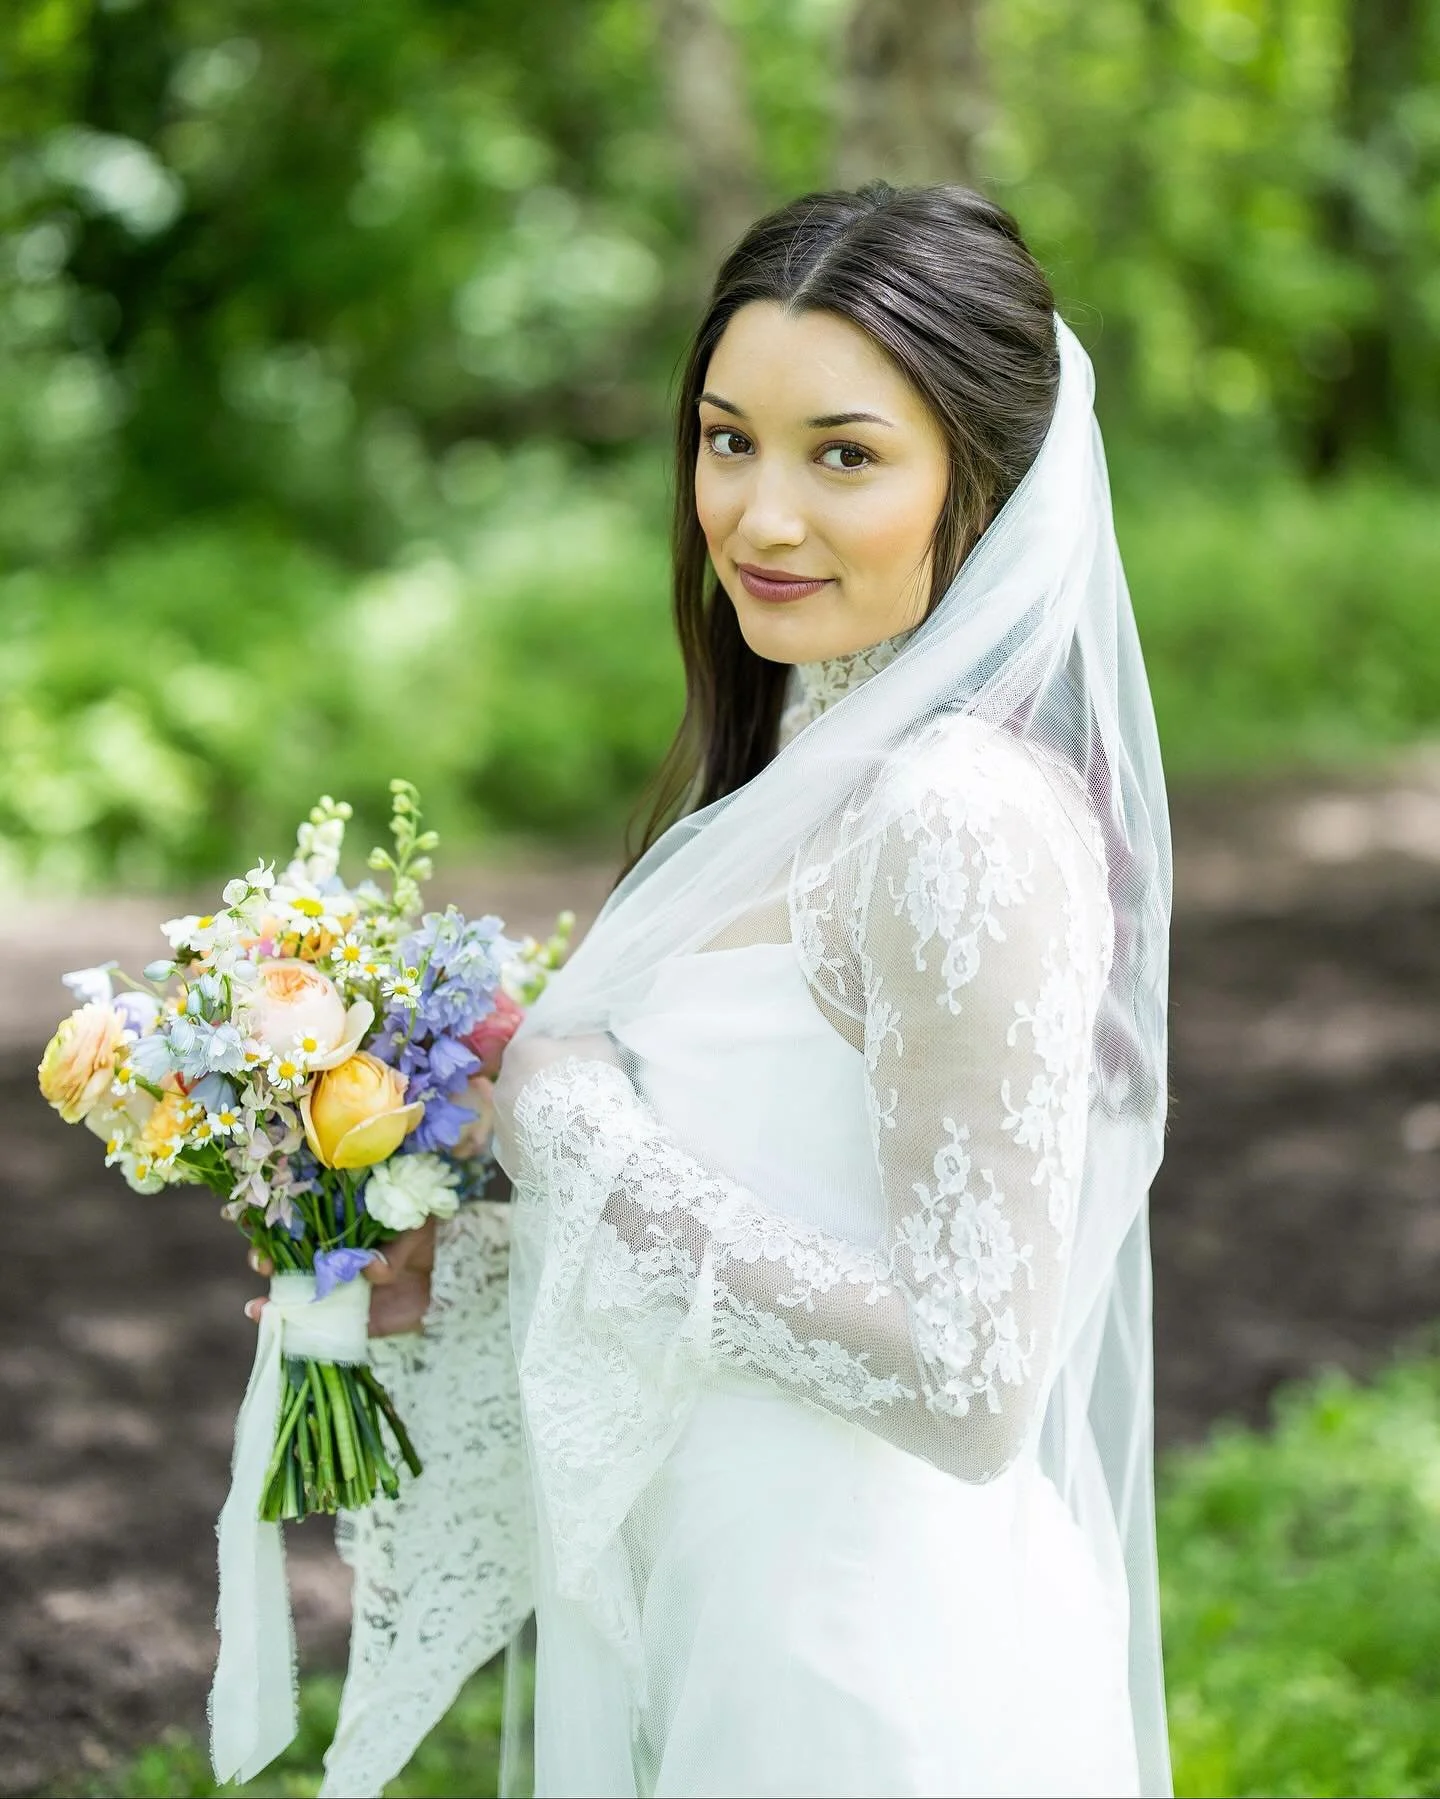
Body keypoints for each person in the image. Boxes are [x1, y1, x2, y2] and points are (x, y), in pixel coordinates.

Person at [248, 181, 1173, 1799]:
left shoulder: (956, 812)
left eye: (845, 454)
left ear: (991, 479)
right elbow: (776, 1186)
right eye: (727, 437)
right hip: (735, 1605)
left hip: (873, 1655)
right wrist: (458, 1246)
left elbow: (968, 1384)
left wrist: (577, 1131)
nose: (756, 515)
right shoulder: (812, 759)